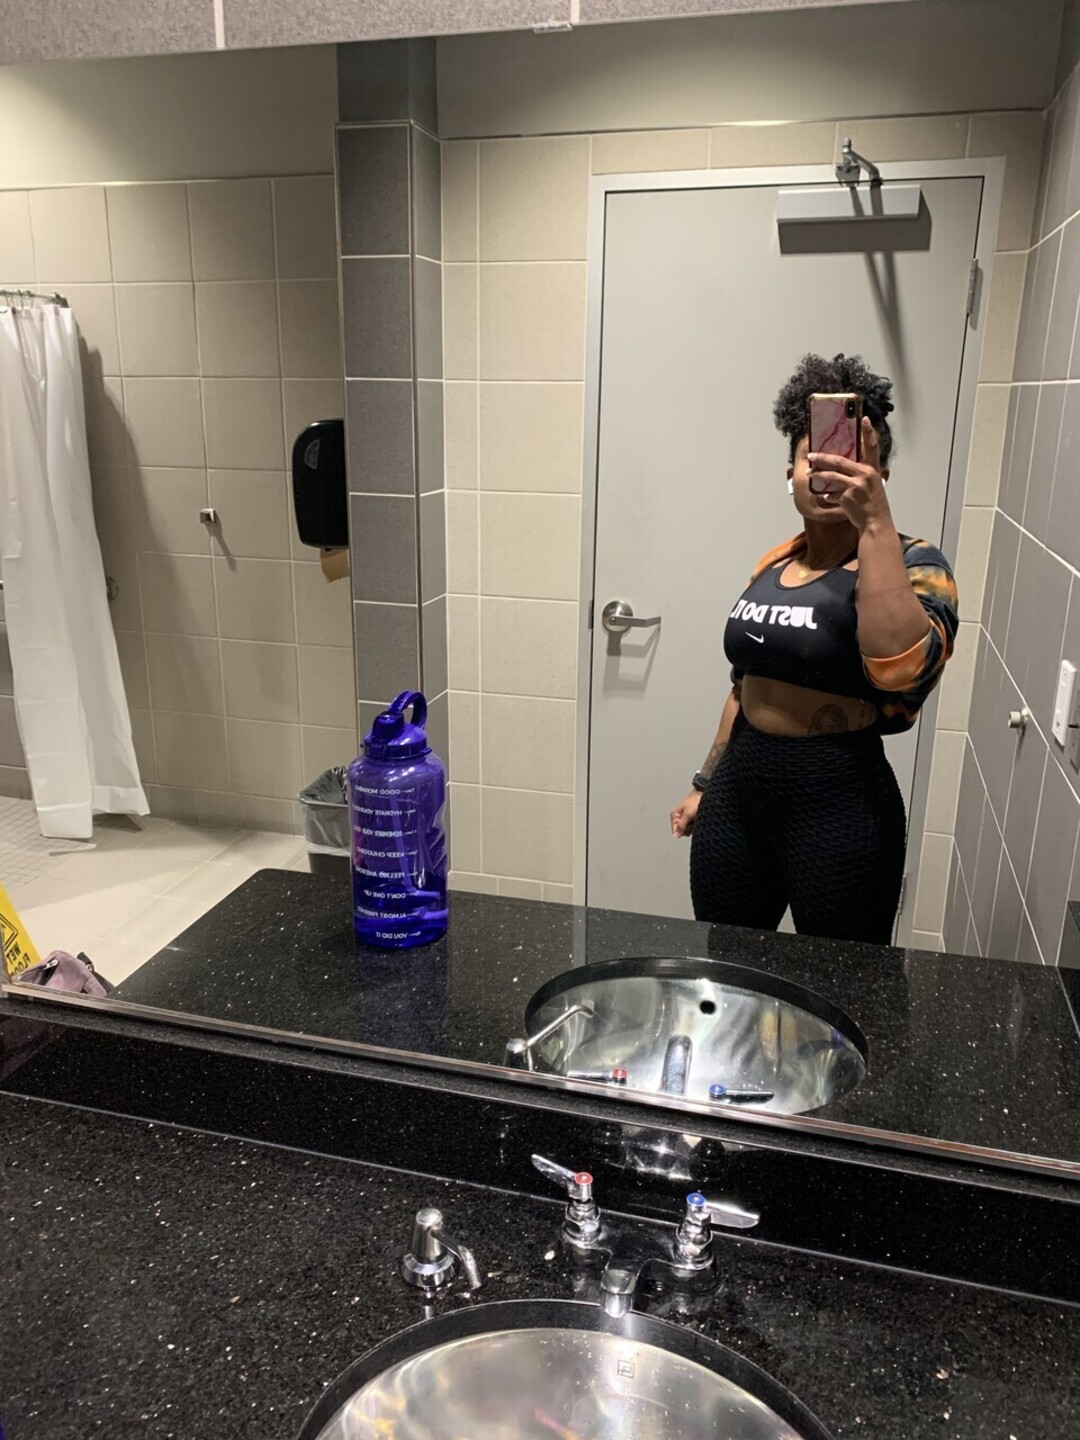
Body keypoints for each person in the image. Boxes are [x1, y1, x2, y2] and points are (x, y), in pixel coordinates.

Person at [670, 354, 959, 945]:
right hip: (739, 795)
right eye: (813, 456)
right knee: (728, 961)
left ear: (879, 473)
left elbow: (902, 672)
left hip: (840, 806)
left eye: (850, 458)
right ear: (791, 473)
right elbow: (742, 686)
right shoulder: (774, 563)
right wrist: (704, 782)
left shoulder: (915, 562)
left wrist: (874, 523)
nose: (828, 469)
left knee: (843, 982)